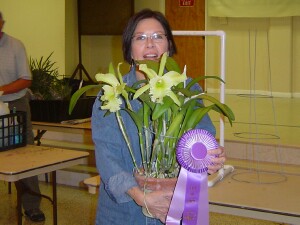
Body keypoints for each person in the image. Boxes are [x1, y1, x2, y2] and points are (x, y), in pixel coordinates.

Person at [92, 9, 226, 225]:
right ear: (129, 49)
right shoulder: (112, 94)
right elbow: (107, 157)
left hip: (178, 202)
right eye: (140, 38)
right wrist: (141, 197)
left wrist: (210, 154)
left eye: (158, 36)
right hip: (126, 210)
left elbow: (202, 135)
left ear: (169, 45)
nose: (150, 44)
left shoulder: (186, 89)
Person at [0, 11, 45, 222]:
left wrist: (0, 90)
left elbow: (26, 79)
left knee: (23, 154)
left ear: (2, 24)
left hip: (16, 104)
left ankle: (32, 206)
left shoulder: (15, 45)